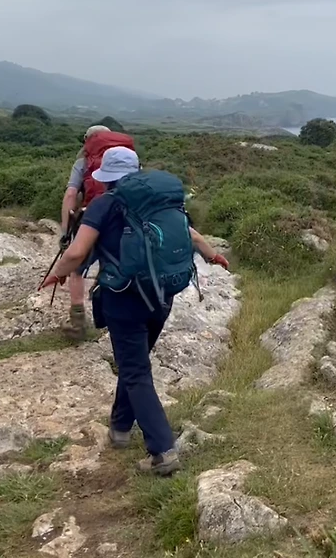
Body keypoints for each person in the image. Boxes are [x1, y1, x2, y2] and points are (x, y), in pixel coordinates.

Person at [41, 146, 228, 476]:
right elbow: (193, 236)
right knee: (134, 364)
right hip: (161, 296)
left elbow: (77, 252)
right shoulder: (160, 201)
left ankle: (163, 451)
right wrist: (214, 256)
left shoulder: (103, 204)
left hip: (123, 297)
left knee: (136, 371)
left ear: (106, 177)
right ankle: (120, 428)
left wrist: (57, 274)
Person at [60, 125, 134, 339]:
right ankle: (109, 316)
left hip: (90, 219)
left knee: (77, 270)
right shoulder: (127, 157)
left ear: (87, 140)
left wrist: (66, 231)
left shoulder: (83, 162)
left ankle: (78, 323)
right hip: (120, 221)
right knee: (109, 266)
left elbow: (70, 195)